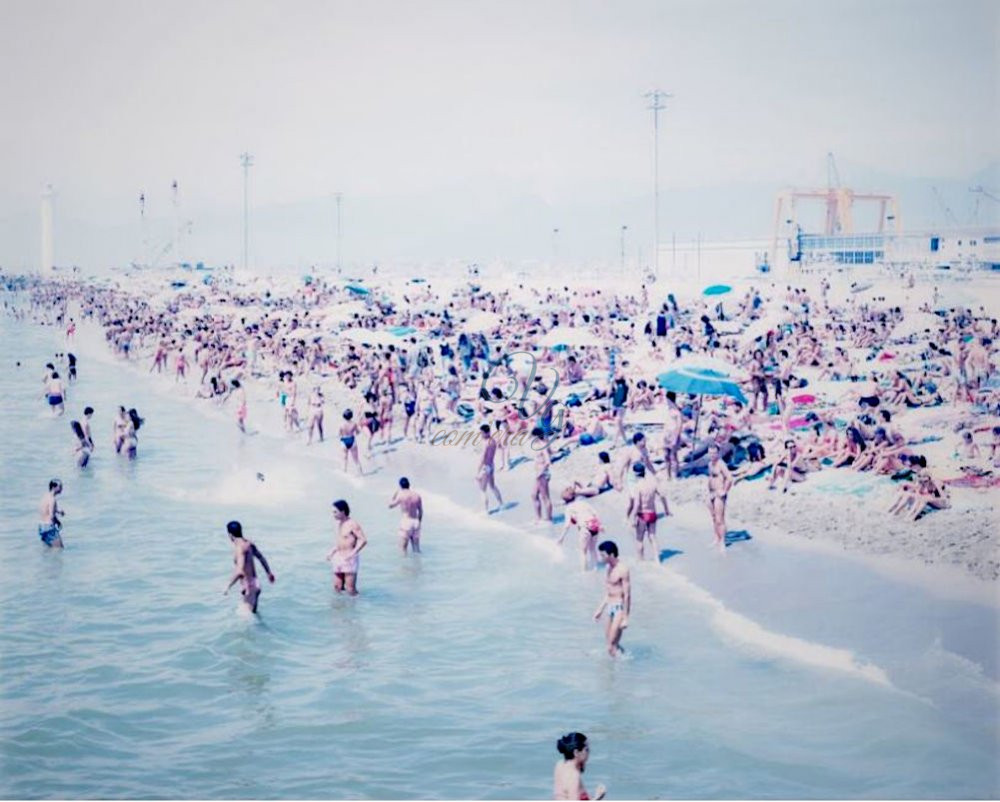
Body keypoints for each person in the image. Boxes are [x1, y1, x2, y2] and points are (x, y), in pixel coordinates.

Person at [223, 521, 275, 614]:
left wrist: (228, 586)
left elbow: (239, 571)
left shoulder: (239, 548)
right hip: (255, 585)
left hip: (249, 588)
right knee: (253, 618)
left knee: (245, 622)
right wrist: (269, 573)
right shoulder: (249, 544)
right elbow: (261, 557)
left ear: (230, 535)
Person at [593, 541, 630, 657]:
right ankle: (624, 658)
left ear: (612, 555)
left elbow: (628, 595)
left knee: (611, 644)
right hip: (610, 606)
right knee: (609, 641)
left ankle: (614, 673)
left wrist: (625, 618)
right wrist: (600, 609)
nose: (601, 558)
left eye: (603, 555)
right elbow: (609, 592)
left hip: (619, 607)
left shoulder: (623, 570)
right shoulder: (609, 568)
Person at [625, 463, 668, 561]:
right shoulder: (653, 483)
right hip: (652, 513)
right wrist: (666, 510)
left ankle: (641, 561)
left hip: (642, 514)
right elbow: (662, 495)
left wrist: (632, 518)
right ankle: (657, 559)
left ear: (635, 474)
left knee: (639, 539)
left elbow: (636, 505)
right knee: (652, 536)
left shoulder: (637, 486)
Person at [326, 499, 368, 595]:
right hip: (338, 557)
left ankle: (355, 607)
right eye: (333, 512)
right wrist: (332, 552)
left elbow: (363, 540)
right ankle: (340, 608)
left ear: (343, 511)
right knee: (337, 587)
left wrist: (353, 553)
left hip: (349, 559)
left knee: (350, 589)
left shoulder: (352, 524)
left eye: (335, 512)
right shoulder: (338, 524)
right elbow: (341, 542)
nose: (333, 514)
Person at [558, 486, 601, 570]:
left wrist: (561, 538)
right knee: (592, 549)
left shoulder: (569, 508)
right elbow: (596, 513)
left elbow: (567, 525)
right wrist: (601, 525)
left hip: (585, 528)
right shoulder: (584, 503)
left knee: (583, 552)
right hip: (594, 526)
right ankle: (596, 569)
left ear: (565, 500)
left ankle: (584, 573)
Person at [553, 732, 606, 801]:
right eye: (586, 749)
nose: (589, 752)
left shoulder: (560, 765)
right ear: (576, 753)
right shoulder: (574, 776)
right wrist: (597, 797)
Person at [707, 442, 733, 551]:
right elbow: (711, 477)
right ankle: (716, 538)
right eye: (710, 453)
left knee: (719, 519)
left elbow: (730, 478)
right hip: (711, 493)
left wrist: (724, 490)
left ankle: (722, 542)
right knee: (713, 518)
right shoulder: (710, 464)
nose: (712, 455)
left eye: (714, 453)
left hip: (719, 493)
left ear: (718, 453)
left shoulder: (721, 464)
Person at [388, 477, 423, 554]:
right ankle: (418, 565)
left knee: (403, 549)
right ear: (409, 485)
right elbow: (420, 511)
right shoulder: (417, 495)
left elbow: (390, 505)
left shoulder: (401, 496)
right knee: (416, 549)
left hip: (406, 522)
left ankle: (404, 566)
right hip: (416, 522)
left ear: (400, 486)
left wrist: (395, 493)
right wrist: (419, 523)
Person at [476, 423, 504, 513]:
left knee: (482, 489)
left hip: (485, 467)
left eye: (481, 433)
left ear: (485, 433)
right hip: (491, 465)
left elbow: (483, 457)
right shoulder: (493, 441)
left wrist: (478, 471)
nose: (480, 435)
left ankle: (485, 510)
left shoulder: (486, 443)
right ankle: (501, 504)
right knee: (492, 486)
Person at [38, 479, 65, 548]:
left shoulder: (45, 497)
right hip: (49, 527)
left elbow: (46, 509)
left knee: (48, 549)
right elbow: (51, 516)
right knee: (59, 549)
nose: (62, 488)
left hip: (42, 526)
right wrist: (58, 522)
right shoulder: (52, 499)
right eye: (60, 486)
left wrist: (58, 511)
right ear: (54, 487)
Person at [340, 409, 363, 475]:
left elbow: (339, 434)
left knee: (344, 459)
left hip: (344, 441)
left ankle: (344, 473)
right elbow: (358, 432)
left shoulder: (341, 424)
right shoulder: (354, 424)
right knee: (356, 460)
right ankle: (361, 474)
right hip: (352, 440)